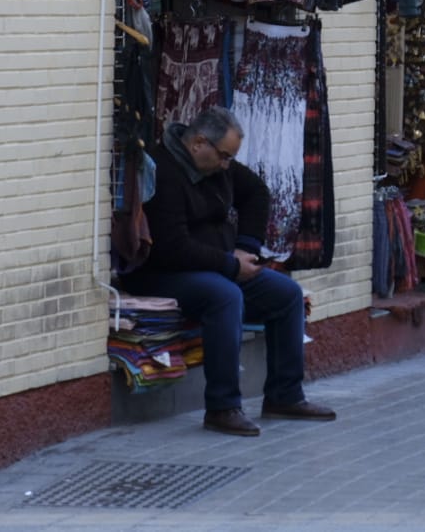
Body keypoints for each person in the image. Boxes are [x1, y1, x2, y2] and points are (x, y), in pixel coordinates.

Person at [118, 107, 335, 436]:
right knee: (224, 296)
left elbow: (256, 193)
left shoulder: (219, 168)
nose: (226, 165)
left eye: (230, 158)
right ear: (198, 144)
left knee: (287, 294)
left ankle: (284, 395)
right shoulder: (164, 172)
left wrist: (246, 248)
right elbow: (172, 248)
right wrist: (230, 265)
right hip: (163, 272)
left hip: (218, 264)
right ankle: (222, 407)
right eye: (223, 156)